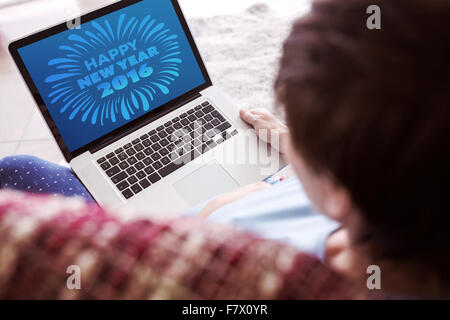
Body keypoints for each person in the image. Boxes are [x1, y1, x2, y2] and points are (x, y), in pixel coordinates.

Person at [1, 0, 449, 297]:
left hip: (168, 226)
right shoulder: (404, 203)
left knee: (14, 169)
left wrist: (209, 211)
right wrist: (283, 143)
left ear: (340, 187)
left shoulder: (253, 279)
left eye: (311, 143)